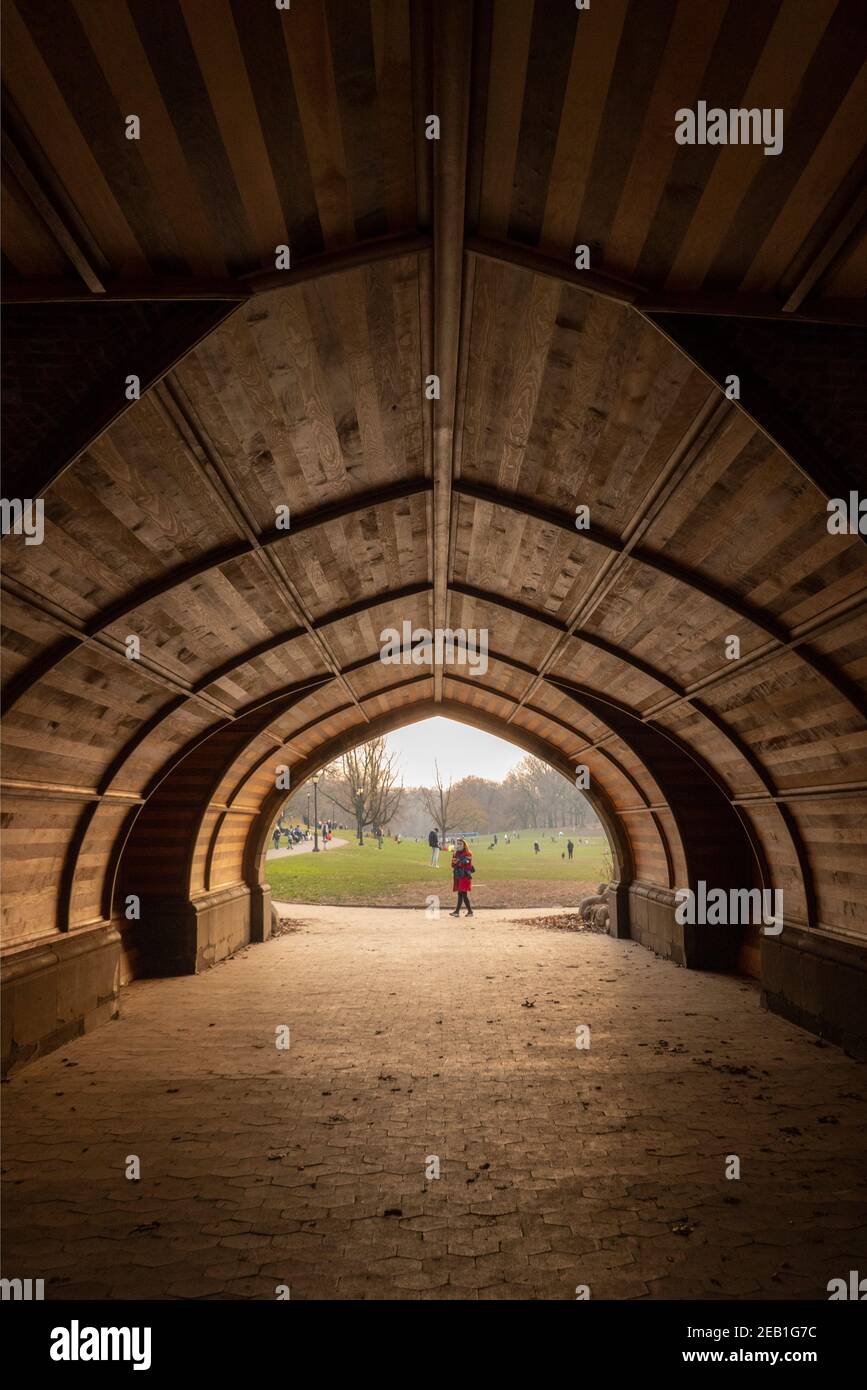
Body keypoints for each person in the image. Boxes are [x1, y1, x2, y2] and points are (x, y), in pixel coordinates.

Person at [450, 837, 474, 917]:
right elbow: (453, 865)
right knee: (461, 894)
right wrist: (454, 856)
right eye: (458, 844)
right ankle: (461, 912)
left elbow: (466, 864)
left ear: (464, 845)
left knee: (463, 894)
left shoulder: (468, 854)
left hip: (465, 876)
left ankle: (467, 912)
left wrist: (458, 862)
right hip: (459, 875)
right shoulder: (456, 853)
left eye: (460, 844)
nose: (459, 845)